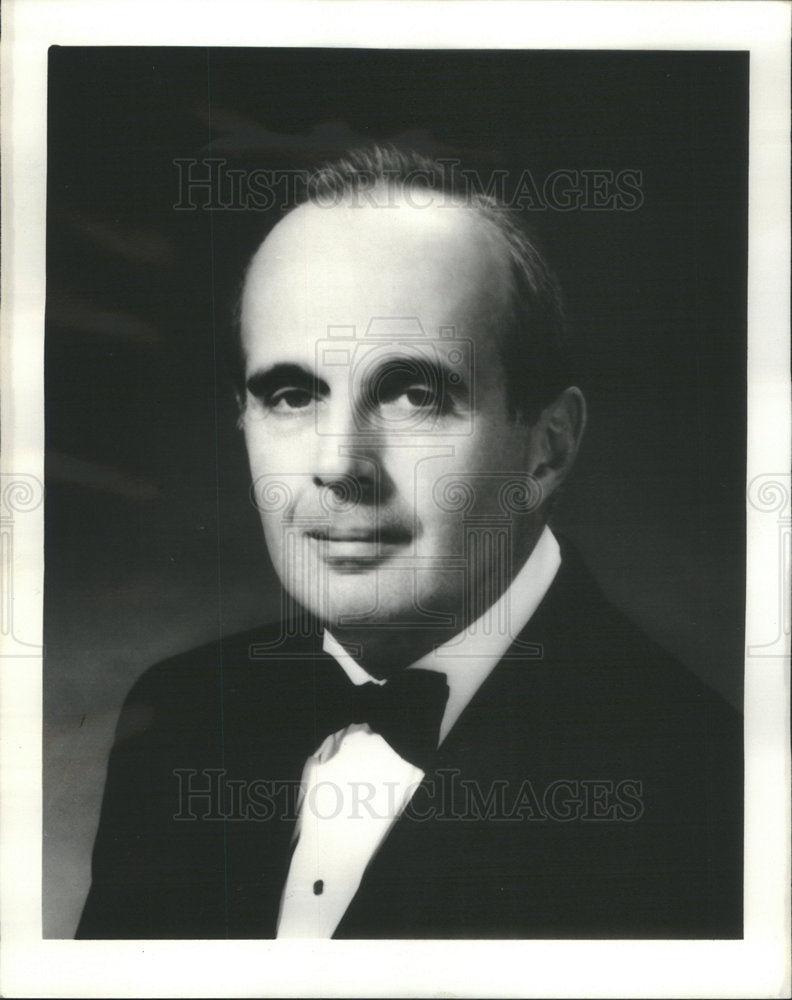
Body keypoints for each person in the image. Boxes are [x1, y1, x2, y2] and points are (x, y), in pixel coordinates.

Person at [76, 147, 742, 939]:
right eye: (291, 394)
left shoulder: (702, 783)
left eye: (412, 393)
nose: (337, 465)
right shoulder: (185, 713)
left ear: (547, 449)